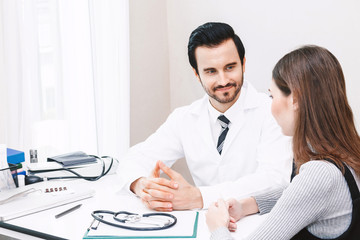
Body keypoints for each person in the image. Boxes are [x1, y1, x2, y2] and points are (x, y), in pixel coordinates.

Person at [118, 22, 292, 211]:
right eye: (211, 71)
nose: (223, 80)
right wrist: (142, 185)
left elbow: (275, 180)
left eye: (230, 67)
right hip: (205, 226)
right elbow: (134, 158)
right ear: (197, 74)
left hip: (259, 227)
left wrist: (200, 197)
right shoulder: (184, 118)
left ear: (243, 64)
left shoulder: (271, 111)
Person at [206, 45, 360, 239]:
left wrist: (217, 226)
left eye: (272, 95)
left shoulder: (319, 174)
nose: (270, 106)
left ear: (295, 99)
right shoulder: (347, 152)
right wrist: (247, 205)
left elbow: (309, 189)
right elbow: (299, 194)